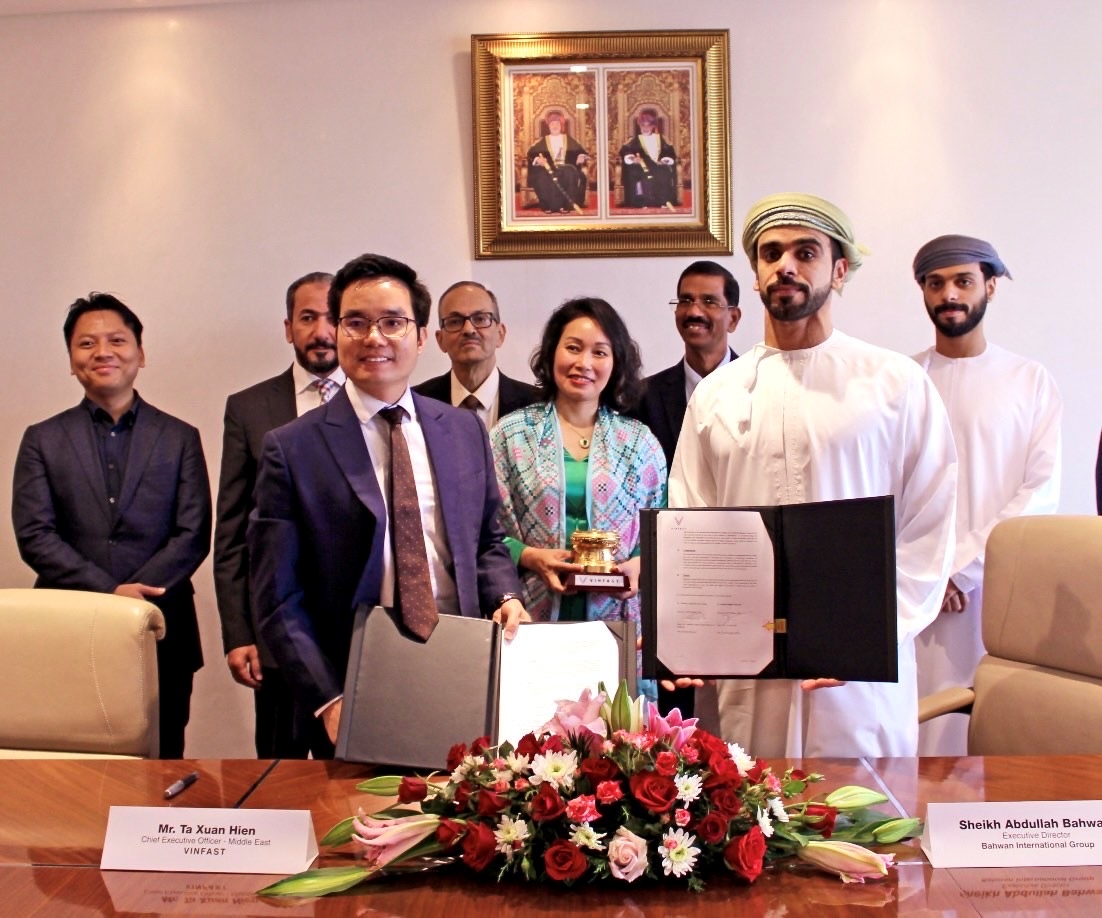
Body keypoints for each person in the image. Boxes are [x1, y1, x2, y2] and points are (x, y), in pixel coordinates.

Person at [669, 193, 957, 758]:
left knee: (863, 828)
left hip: (856, 676)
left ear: (840, 269)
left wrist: (865, 634)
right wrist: (693, 634)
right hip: (751, 666)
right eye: (771, 253)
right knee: (755, 822)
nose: (787, 266)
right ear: (754, 276)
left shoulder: (893, 384)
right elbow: (691, 523)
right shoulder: (718, 394)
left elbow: (928, 521)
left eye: (806, 252)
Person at [248, 253, 528, 756]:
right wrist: (328, 697)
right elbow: (277, 597)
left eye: (393, 322)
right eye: (355, 323)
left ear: (421, 337)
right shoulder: (292, 448)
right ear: (337, 333)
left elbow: (486, 540)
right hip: (352, 674)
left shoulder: (463, 430)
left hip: (457, 659)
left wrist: (506, 598)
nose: (374, 338)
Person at [12, 293, 211, 758]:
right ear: (71, 360)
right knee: (71, 760)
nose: (103, 352)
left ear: (140, 354)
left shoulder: (180, 437)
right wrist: (110, 592)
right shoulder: (42, 439)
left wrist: (141, 592)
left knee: (162, 756)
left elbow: (193, 531)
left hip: (164, 625)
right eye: (87, 343)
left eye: (117, 340)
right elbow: (35, 536)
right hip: (68, 623)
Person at [911, 234, 1062, 755]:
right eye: (936, 283)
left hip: (998, 595)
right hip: (917, 597)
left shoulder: (1030, 380)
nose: (949, 294)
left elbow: (1039, 492)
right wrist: (932, 572)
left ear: (990, 287)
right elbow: (887, 492)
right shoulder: (905, 382)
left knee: (995, 739)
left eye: (963, 281)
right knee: (918, 739)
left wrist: (963, 568)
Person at [490, 297, 667, 701]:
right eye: (573, 347)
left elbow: (664, 526)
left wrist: (641, 564)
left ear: (615, 363)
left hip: (617, 616)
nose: (584, 363)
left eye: (599, 352)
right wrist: (531, 555)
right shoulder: (510, 434)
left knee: (616, 747)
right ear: (552, 352)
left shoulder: (639, 441)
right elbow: (484, 530)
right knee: (534, 751)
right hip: (532, 608)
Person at [214, 271, 345, 759]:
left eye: (332, 317)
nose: (321, 331)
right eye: (308, 318)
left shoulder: (376, 401)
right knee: (277, 771)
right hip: (272, 632)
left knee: (350, 774)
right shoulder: (248, 408)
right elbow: (231, 533)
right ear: (288, 327)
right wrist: (239, 632)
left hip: (351, 631)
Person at [632, 260, 741, 469]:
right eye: (685, 300)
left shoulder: (761, 389)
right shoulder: (643, 398)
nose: (694, 312)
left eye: (709, 301)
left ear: (733, 319)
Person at [413, 281, 539, 429]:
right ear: (440, 340)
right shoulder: (417, 403)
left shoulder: (538, 405)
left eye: (480, 319)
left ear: (500, 334)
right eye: (455, 321)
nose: (468, 329)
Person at [526, 110, 589, 213]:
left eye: (557, 123)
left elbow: (581, 152)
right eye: (552, 124)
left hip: (565, 167)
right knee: (541, 176)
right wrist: (538, 160)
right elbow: (531, 154)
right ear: (549, 126)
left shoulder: (568, 139)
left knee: (570, 172)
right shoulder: (543, 140)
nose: (555, 126)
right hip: (548, 168)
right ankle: (549, 207)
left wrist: (580, 157)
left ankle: (565, 206)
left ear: (561, 125)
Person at [619, 108, 678, 208]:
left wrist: (665, 160)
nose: (645, 128)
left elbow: (669, 152)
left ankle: (663, 202)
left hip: (658, 166)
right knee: (644, 176)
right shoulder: (634, 139)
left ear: (653, 126)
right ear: (639, 125)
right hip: (642, 167)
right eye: (643, 125)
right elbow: (625, 151)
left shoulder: (661, 138)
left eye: (648, 125)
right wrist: (633, 158)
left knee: (663, 174)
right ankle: (643, 202)